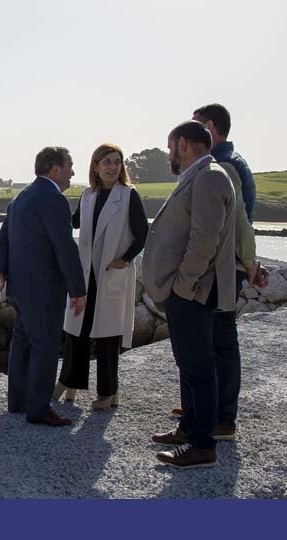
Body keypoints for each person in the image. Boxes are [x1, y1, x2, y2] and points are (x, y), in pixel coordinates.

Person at [143, 120, 236, 469]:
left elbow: (204, 241)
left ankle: (202, 446)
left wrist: (183, 286)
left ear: (183, 144)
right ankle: (188, 427)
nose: (169, 155)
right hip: (189, 291)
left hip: (194, 292)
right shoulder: (200, 176)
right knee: (190, 365)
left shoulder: (209, 177)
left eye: (170, 148)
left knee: (198, 367)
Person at [0, 146, 86, 427]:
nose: (73, 172)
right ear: (55, 169)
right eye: (70, 165)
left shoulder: (21, 198)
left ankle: (18, 402)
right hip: (44, 289)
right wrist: (78, 289)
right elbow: (64, 246)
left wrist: (0, 270)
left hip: (20, 288)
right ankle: (39, 410)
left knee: (22, 344)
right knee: (44, 346)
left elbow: (4, 239)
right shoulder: (52, 199)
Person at [54, 143, 148, 410]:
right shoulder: (87, 195)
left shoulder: (129, 196)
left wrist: (124, 259)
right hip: (86, 273)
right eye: (106, 161)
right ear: (95, 166)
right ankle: (69, 382)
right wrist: (47, 207)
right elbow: (72, 222)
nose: (112, 166)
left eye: (117, 162)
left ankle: (108, 391)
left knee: (108, 336)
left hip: (110, 273)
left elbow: (142, 233)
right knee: (77, 330)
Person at [193, 103, 256, 222]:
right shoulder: (232, 159)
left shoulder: (222, 165)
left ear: (209, 127)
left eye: (194, 128)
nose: (187, 134)